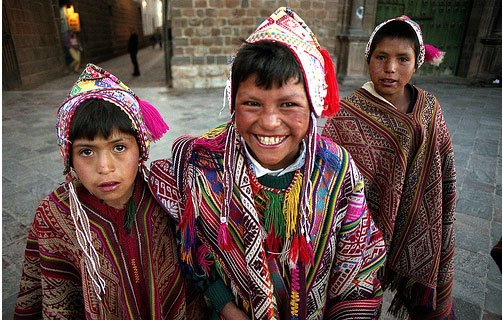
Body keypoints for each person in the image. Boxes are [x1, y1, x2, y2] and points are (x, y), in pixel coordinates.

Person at [149, 7, 386, 319]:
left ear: (313, 105)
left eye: (289, 104)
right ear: (234, 103)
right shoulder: (201, 165)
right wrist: (227, 308)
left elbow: (358, 266)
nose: (270, 122)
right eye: (252, 104)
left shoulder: (337, 171)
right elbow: (191, 247)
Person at [14, 63, 207, 319]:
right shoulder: (55, 217)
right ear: (68, 157)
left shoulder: (164, 197)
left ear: (141, 149)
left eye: (119, 148)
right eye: (86, 152)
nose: (104, 167)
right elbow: (56, 296)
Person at [322, 16, 456, 319]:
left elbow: (444, 171)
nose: (391, 68)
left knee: (424, 308)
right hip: (365, 232)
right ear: (369, 58)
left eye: (402, 59)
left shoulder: (430, 108)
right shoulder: (347, 115)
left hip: (423, 225)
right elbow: (329, 177)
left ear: (417, 62)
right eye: (381, 57)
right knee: (361, 302)